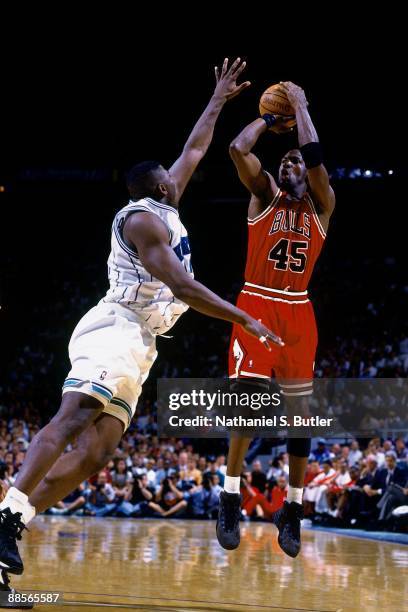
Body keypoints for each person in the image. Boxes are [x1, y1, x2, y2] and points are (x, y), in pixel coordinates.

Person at [0, 58, 283, 595]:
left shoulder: (165, 200)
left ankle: (11, 525)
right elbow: (183, 288)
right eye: (165, 180)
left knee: (98, 453)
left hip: (142, 341)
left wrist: (220, 96)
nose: (177, 181)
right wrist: (244, 316)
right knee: (75, 416)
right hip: (115, 327)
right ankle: (7, 515)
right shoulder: (143, 219)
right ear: (149, 189)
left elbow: (195, 148)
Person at [216, 81, 335, 557]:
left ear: (307, 174)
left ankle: (294, 508)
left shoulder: (322, 204)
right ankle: (229, 496)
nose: (290, 163)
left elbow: (317, 157)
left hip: (299, 311)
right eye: (284, 161)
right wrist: (269, 119)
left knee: (298, 417)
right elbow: (236, 148)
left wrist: (302, 107)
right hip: (257, 303)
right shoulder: (263, 195)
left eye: (296, 161)